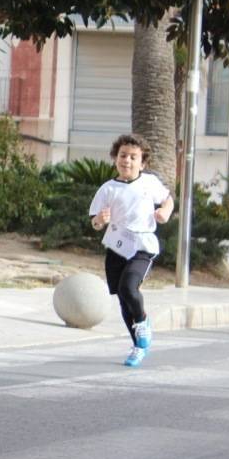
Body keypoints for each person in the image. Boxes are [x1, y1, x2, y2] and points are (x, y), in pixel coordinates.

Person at [89, 134, 173, 368]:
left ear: (142, 163)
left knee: (129, 287)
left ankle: (143, 322)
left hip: (142, 246)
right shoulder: (107, 189)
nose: (127, 160)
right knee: (124, 299)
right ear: (115, 159)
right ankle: (138, 346)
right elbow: (94, 223)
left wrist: (165, 212)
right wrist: (99, 220)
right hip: (116, 248)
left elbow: (168, 199)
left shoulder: (149, 183)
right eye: (123, 155)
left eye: (133, 157)